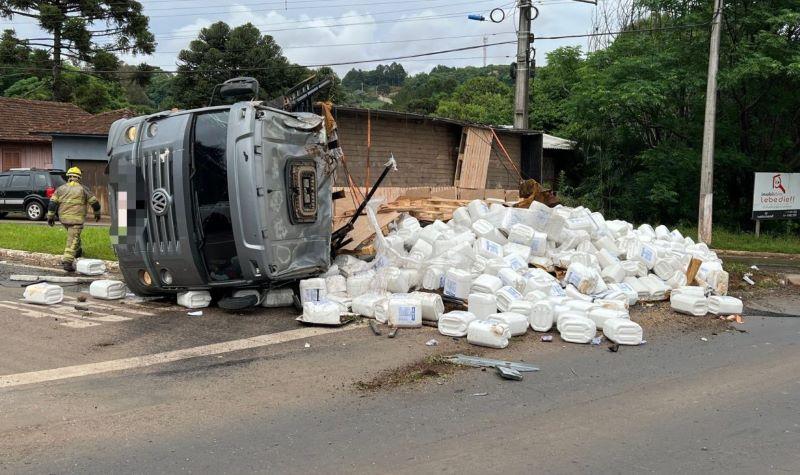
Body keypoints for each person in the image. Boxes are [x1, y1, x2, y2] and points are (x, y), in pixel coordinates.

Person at [46, 167, 101, 272]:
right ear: (79, 177)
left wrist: (50, 217)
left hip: (64, 219)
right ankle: (67, 261)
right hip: (76, 220)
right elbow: (94, 202)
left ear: (68, 177)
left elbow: (52, 204)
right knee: (72, 240)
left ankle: (78, 251)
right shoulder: (83, 189)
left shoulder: (60, 189)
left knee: (74, 236)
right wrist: (97, 213)